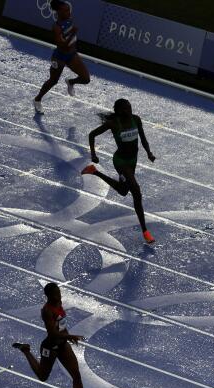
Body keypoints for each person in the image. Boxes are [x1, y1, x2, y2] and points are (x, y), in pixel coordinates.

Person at [12, 283, 96, 388]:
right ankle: (26, 350)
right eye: (56, 293)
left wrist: (68, 337)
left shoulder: (59, 303)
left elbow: (61, 323)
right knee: (43, 376)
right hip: (50, 347)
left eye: (59, 292)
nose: (59, 294)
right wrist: (70, 336)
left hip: (62, 345)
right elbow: (52, 333)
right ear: (49, 296)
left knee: (76, 375)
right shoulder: (46, 311)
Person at [82, 98, 156, 244]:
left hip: (132, 161)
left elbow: (143, 138)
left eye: (130, 107)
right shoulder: (114, 123)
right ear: (119, 111)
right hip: (121, 162)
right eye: (125, 109)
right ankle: (145, 231)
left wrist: (149, 152)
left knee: (123, 191)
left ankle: (94, 171)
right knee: (136, 190)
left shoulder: (136, 119)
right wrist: (93, 154)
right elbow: (92, 135)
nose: (129, 110)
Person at [33, 0, 90, 114]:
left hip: (72, 55)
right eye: (65, 10)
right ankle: (37, 99)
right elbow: (62, 45)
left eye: (69, 10)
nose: (69, 12)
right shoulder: (56, 27)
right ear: (58, 12)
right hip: (59, 57)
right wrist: (73, 33)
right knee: (53, 81)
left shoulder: (69, 19)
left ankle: (71, 82)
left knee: (85, 79)